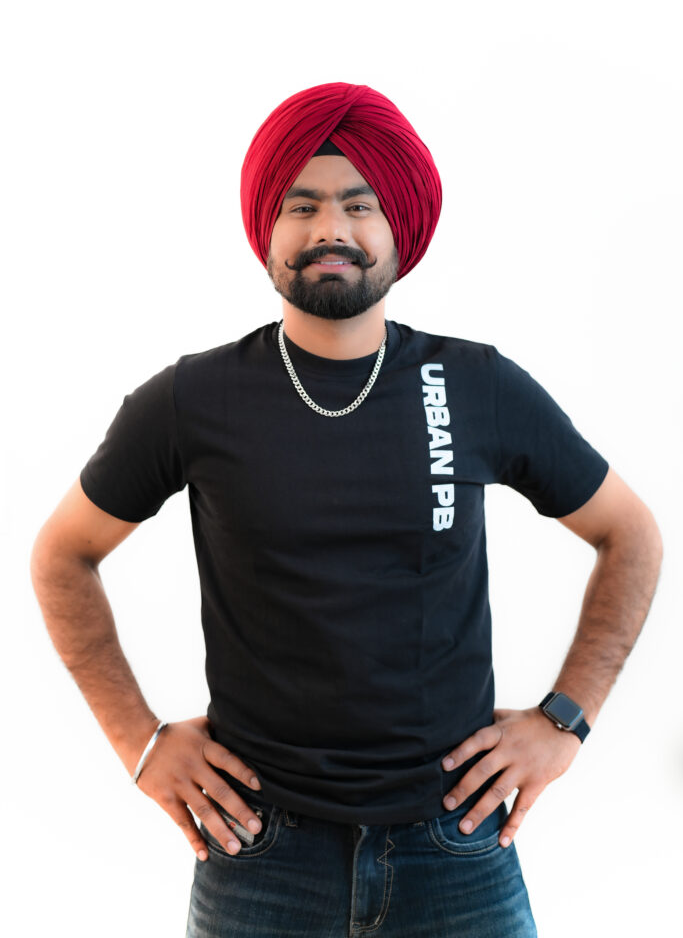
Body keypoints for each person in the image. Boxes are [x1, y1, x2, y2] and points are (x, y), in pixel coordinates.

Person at [31, 82, 662, 938]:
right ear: (267, 230)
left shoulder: (475, 385)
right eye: (301, 205)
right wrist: (138, 742)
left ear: (398, 226)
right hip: (257, 852)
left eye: (359, 204)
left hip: (456, 844)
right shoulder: (191, 400)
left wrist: (565, 719)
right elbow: (62, 554)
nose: (330, 227)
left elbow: (628, 533)